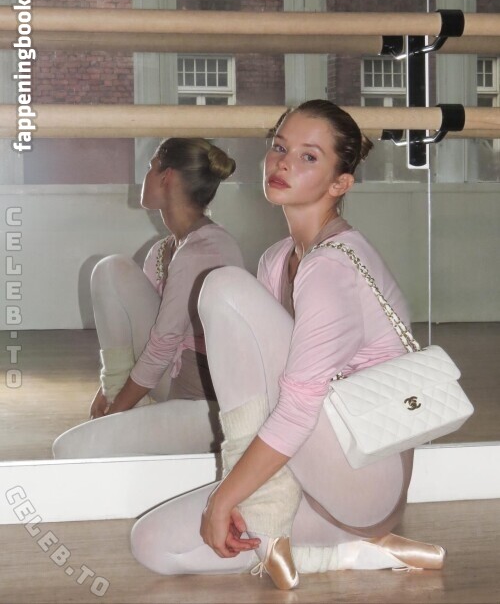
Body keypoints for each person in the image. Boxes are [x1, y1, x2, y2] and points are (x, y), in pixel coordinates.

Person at [130, 101, 445, 588]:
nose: (283, 163)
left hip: (363, 478)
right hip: (308, 472)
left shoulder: (332, 265)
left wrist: (226, 496)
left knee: (224, 288)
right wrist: (235, 495)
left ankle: (275, 518)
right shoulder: (277, 260)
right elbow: (262, 391)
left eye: (308, 157)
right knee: (153, 544)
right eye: (280, 147)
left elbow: (297, 408)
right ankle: (346, 552)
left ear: (340, 184)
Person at [52, 137, 244, 459]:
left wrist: (116, 413)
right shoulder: (162, 250)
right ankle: (123, 403)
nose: (145, 177)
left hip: (205, 400)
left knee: (73, 450)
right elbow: (136, 333)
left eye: (150, 168)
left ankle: (131, 422)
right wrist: (108, 389)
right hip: (172, 379)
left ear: (166, 176)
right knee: (111, 270)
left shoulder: (206, 249)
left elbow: (161, 347)